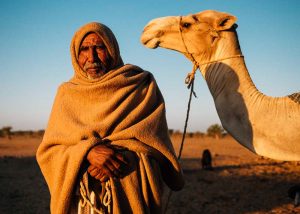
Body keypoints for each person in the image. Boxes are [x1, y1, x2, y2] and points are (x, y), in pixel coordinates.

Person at [36, 22, 184, 214]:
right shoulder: (66, 93)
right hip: (85, 204)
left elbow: (157, 147)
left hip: (131, 197)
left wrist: (121, 160)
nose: (92, 57)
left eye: (99, 47)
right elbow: (49, 152)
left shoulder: (140, 85)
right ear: (75, 54)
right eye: (84, 49)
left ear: (112, 49)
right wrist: (86, 154)